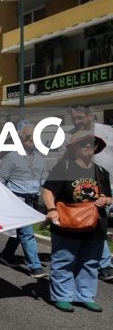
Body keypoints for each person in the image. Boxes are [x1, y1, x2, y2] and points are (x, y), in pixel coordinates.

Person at [42, 130, 111, 312]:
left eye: (92, 143)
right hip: (67, 223)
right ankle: (62, 296)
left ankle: (84, 295)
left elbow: (109, 196)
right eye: (83, 143)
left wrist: (105, 200)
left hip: (96, 224)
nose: (88, 146)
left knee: (90, 262)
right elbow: (48, 191)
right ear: (74, 148)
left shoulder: (101, 171)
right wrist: (51, 210)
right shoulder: (63, 168)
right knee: (64, 260)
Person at [60, 106, 113, 282]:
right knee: (96, 224)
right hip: (85, 188)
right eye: (74, 119)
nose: (77, 122)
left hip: (108, 185)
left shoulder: (107, 131)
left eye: (80, 118)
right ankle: (104, 265)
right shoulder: (69, 136)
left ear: (91, 116)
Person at [0, 122, 48, 278]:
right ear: (20, 138)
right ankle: (35, 266)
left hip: (32, 201)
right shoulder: (11, 157)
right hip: (17, 200)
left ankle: (6, 255)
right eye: (28, 136)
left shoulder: (41, 159)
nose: (32, 139)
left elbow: (45, 182)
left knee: (21, 232)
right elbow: (1, 181)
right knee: (27, 233)